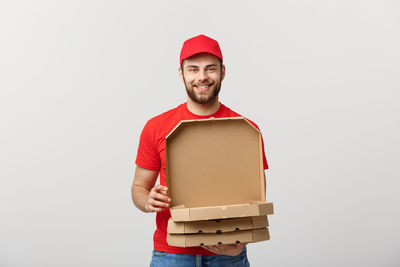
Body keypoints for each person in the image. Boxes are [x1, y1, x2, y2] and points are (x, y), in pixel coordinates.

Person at [131, 34, 269, 267]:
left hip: (228, 255)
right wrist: (147, 201)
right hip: (172, 254)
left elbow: (256, 196)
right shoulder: (156, 127)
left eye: (210, 69)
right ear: (181, 73)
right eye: (193, 69)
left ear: (222, 72)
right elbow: (138, 188)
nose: (202, 77)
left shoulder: (246, 129)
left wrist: (242, 240)